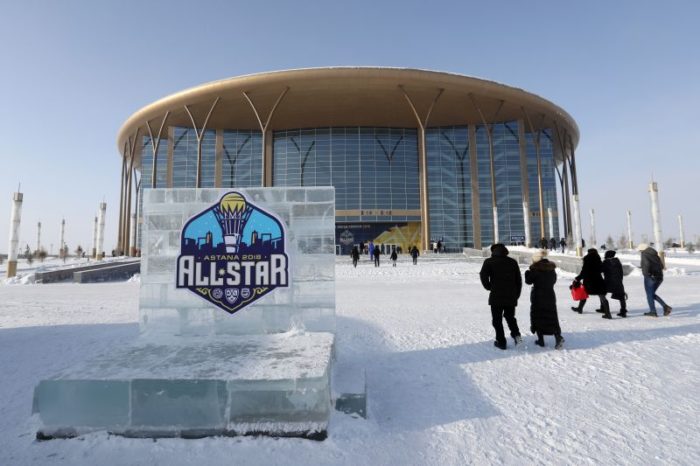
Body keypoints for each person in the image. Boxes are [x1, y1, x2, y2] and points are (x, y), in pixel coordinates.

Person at [479, 243, 523, 350]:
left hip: (496, 295)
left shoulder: (489, 262)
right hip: (511, 295)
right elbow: (519, 280)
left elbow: (483, 275)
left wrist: (489, 287)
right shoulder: (512, 262)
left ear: (493, 251)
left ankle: (501, 341)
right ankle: (517, 335)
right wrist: (516, 295)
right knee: (510, 317)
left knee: (497, 320)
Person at [525, 249, 564, 349]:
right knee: (551, 316)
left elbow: (528, 281)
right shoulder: (551, 269)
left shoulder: (535, 269)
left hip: (538, 296)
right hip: (550, 295)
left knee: (538, 316)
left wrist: (527, 273)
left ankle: (541, 340)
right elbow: (553, 280)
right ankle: (558, 337)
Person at [572, 248, 611, 319]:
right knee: (602, 296)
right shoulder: (598, 260)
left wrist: (578, 278)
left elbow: (584, 272)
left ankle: (580, 308)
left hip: (589, 282)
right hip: (598, 281)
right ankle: (607, 313)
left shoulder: (587, 259)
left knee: (584, 294)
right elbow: (601, 270)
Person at [637, 243, 672, 317]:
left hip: (651, 277)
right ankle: (665, 307)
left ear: (642, 249)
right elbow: (661, 266)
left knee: (649, 295)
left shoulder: (644, 254)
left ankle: (653, 311)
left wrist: (646, 274)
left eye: (640, 250)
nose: (640, 252)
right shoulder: (655, 254)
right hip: (659, 277)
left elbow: (646, 264)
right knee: (651, 294)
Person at [602, 250, 627, 317]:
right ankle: (623, 311)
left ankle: (604, 309)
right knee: (621, 297)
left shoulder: (606, 262)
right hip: (618, 281)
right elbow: (621, 272)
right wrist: (620, 280)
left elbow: (601, 269)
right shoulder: (618, 262)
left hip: (608, 281)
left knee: (602, 294)